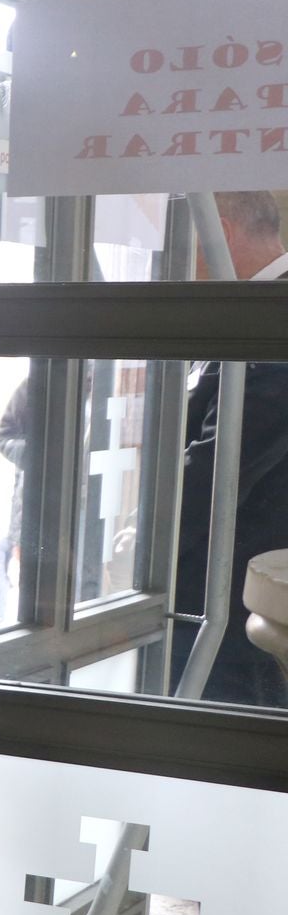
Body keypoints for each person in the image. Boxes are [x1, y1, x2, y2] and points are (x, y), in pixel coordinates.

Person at [173, 189, 288, 706]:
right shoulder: (250, 310)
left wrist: (144, 556)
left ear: (216, 229)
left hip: (232, 609)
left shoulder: (271, 319)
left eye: (181, 239)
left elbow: (220, 466)